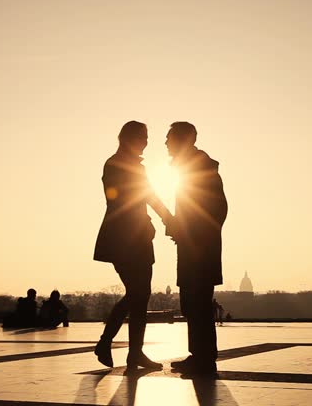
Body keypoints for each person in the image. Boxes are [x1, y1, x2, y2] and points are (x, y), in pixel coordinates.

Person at [93, 121, 168, 370]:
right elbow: (143, 196)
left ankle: (124, 349)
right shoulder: (119, 164)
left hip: (132, 236)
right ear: (129, 138)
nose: (146, 141)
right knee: (138, 294)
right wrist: (168, 219)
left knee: (138, 295)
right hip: (127, 237)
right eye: (143, 137)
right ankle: (122, 348)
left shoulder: (124, 164)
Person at [164, 122, 228, 375]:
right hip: (196, 246)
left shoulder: (197, 170)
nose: (166, 143)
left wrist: (189, 232)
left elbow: (213, 211)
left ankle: (203, 359)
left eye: (169, 138)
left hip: (198, 249)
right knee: (193, 303)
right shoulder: (196, 168)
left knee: (197, 303)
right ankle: (200, 355)